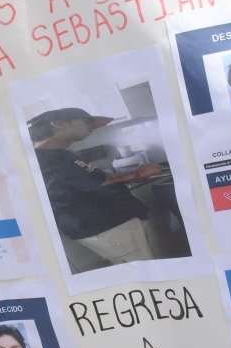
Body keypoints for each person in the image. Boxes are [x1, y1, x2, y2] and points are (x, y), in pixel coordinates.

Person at [27, 107, 162, 267]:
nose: (92, 127)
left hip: (109, 222)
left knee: (140, 266)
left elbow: (93, 179)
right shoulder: (45, 157)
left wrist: (134, 175)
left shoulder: (56, 153)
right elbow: (96, 183)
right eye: (86, 121)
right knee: (141, 269)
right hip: (105, 225)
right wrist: (136, 175)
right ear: (58, 124)